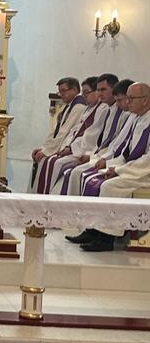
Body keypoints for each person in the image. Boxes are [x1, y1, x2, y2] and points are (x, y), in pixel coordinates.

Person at [68, 83, 150, 252]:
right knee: (94, 179)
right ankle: (91, 230)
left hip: (144, 173)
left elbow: (147, 159)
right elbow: (127, 152)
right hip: (134, 169)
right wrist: (113, 166)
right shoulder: (138, 118)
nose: (128, 102)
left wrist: (118, 170)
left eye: (131, 98)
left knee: (109, 186)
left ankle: (106, 239)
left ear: (145, 100)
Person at [35, 75, 111, 194]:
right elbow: (73, 131)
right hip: (76, 148)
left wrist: (71, 149)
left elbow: (91, 135)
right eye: (83, 92)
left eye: (86, 92)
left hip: (85, 151)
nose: (84, 95)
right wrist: (66, 147)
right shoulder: (88, 109)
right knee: (50, 161)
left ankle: (53, 198)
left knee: (57, 163)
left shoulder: (100, 108)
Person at [60, 79, 135, 196]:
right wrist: (94, 156)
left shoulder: (124, 114)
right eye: (98, 90)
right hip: (106, 156)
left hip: (123, 164)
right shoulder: (113, 110)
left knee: (81, 175)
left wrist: (99, 158)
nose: (99, 93)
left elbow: (118, 144)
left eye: (103, 90)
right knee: (72, 171)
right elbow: (109, 141)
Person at [28, 77, 87, 191]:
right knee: (40, 159)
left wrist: (47, 151)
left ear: (74, 90)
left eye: (63, 91)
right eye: (60, 92)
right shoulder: (69, 106)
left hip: (71, 148)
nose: (61, 95)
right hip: (61, 146)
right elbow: (56, 131)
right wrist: (44, 148)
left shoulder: (79, 107)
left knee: (46, 161)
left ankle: (44, 195)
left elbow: (65, 132)